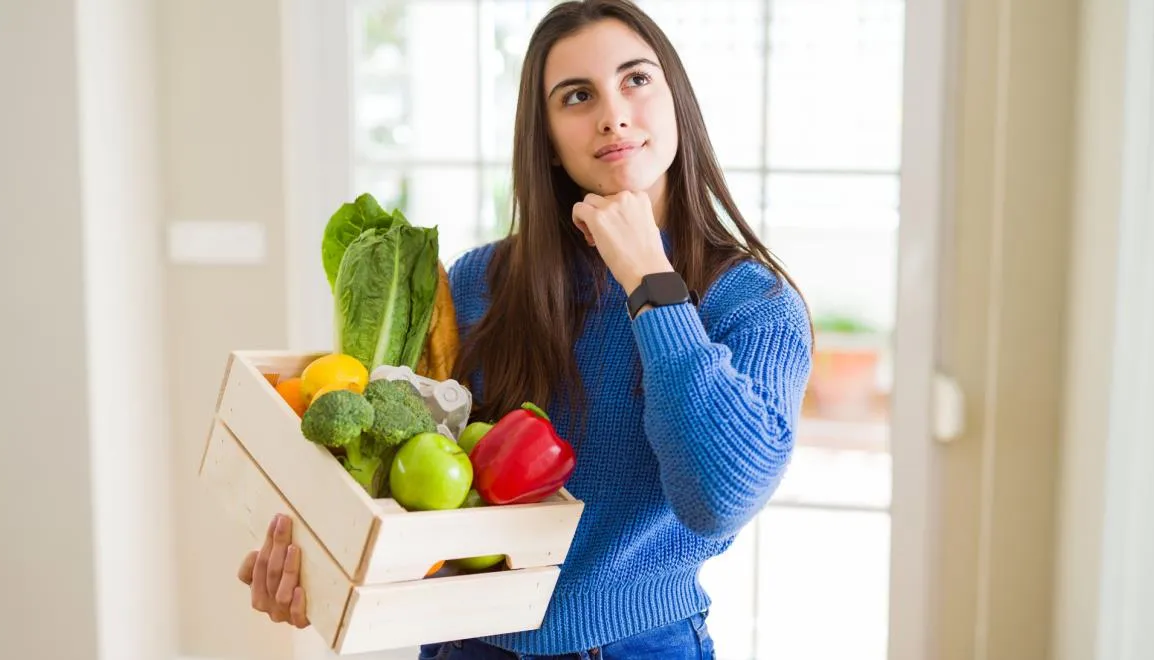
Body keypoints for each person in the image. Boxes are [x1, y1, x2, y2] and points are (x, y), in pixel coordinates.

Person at [238, 1, 813, 658]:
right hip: (464, 643)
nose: (613, 114)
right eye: (577, 96)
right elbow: (403, 473)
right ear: (548, 139)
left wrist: (651, 281)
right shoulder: (479, 282)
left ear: (676, 100)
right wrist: (322, 563)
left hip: (637, 645)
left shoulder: (755, 303)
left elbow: (720, 496)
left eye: (636, 79)